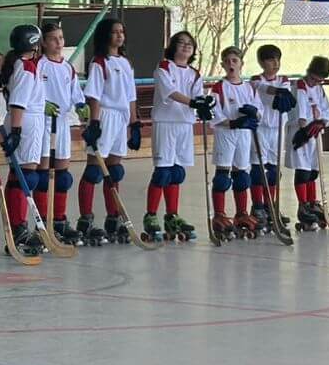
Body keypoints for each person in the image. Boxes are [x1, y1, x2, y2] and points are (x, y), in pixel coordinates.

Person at [145, 31, 211, 242]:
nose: (186, 46)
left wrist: (204, 105)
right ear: (173, 46)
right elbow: (170, 92)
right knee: (162, 172)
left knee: (176, 172)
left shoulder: (195, 73)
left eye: (190, 43)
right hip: (166, 122)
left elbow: (199, 95)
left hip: (184, 123)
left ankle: (172, 215)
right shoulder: (164, 67)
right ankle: (151, 215)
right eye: (181, 43)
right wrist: (193, 103)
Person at [77, 18, 138, 246]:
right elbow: (94, 95)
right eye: (114, 32)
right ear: (105, 35)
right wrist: (94, 123)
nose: (120, 35)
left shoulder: (126, 63)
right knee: (94, 170)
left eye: (122, 31)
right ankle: (86, 219)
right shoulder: (99, 63)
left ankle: (113, 217)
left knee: (114, 171)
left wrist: (134, 123)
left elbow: (131, 96)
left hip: (121, 118)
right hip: (105, 116)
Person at [33, 21, 83, 244]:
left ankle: (60, 220)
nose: (59, 42)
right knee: (44, 177)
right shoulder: (39, 65)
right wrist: (41, 104)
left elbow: (76, 94)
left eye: (61, 38)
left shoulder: (67, 68)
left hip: (61, 124)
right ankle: (43, 223)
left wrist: (81, 106)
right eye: (53, 39)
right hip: (44, 124)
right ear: (43, 42)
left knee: (62, 177)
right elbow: (30, 92)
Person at [0, 24, 46, 256]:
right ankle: (19, 229)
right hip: (26, 122)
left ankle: (16, 228)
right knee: (25, 176)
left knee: (19, 176)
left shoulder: (18, 63)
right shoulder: (26, 66)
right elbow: (19, 101)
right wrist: (16, 132)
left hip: (24, 120)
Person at [207, 46, 261, 240]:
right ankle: (219, 214)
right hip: (226, 134)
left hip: (244, 135)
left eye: (234, 61)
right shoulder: (219, 87)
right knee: (222, 176)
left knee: (242, 176)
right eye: (227, 61)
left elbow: (259, 111)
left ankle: (241, 213)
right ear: (223, 64)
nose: (231, 64)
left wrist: (254, 113)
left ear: (241, 64)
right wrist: (232, 122)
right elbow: (214, 113)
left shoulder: (249, 88)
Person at [251, 44, 296, 233]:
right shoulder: (256, 80)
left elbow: (284, 90)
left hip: (278, 128)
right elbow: (264, 88)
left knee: (274, 170)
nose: (275, 63)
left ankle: (271, 204)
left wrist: (282, 92)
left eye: (278, 59)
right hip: (260, 128)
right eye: (271, 59)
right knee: (258, 168)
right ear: (262, 62)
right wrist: (278, 92)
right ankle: (258, 206)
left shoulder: (283, 80)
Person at [289, 55, 329, 231]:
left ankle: (312, 202)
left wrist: (322, 122)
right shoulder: (299, 86)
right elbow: (299, 113)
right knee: (303, 171)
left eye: (320, 80)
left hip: (315, 135)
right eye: (314, 78)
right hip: (301, 135)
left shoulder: (319, 89)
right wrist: (306, 128)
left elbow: (326, 110)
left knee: (314, 171)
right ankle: (303, 206)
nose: (316, 82)